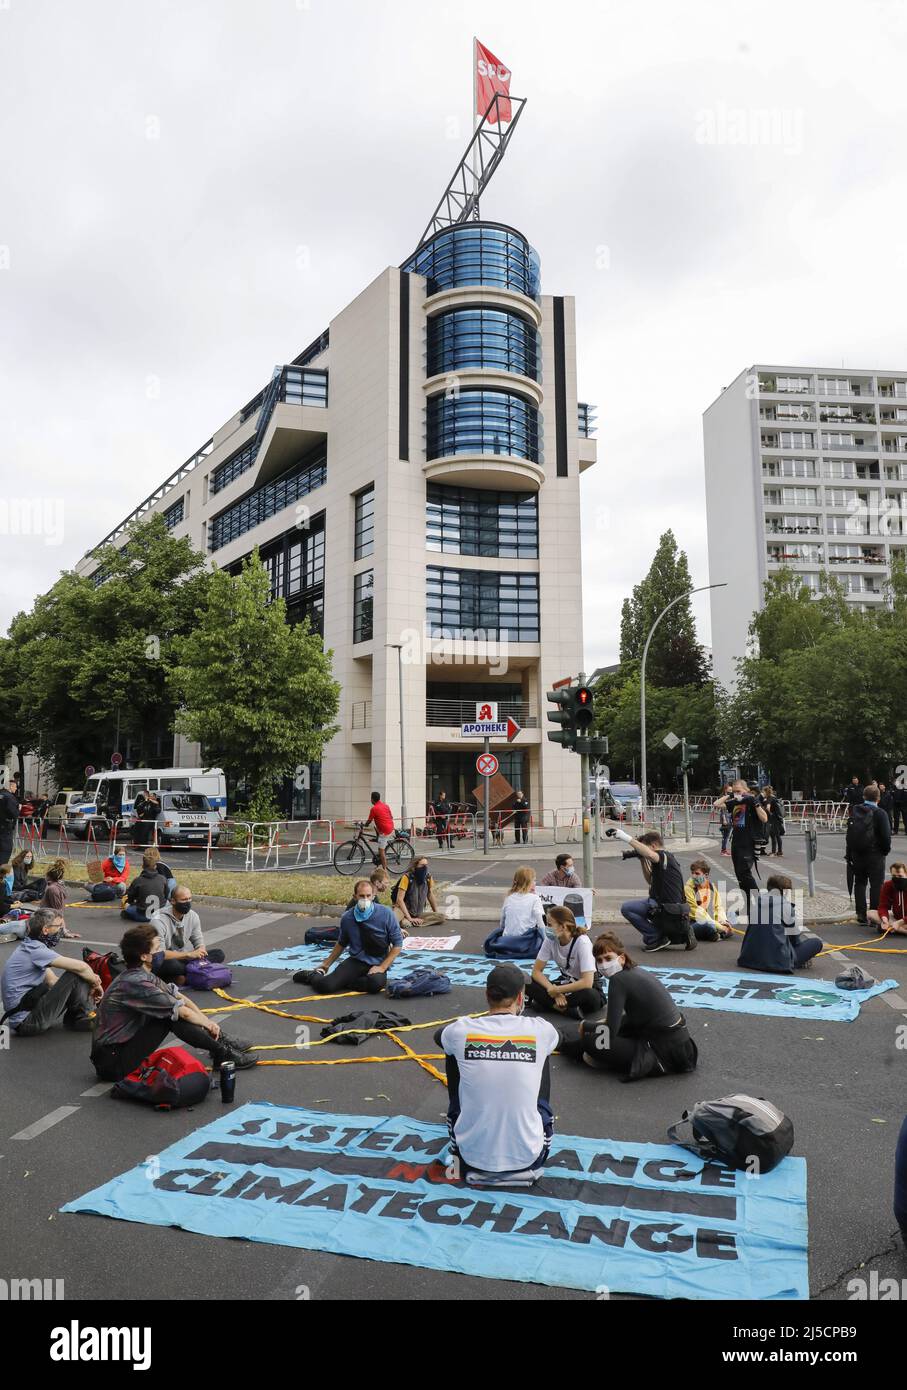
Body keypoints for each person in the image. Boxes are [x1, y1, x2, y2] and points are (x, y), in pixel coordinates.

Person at [435, 962, 559, 1184]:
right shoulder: (540, 1030)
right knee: (544, 1051)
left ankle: (459, 1117)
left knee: (451, 1049)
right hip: (530, 1159)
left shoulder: (460, 1030)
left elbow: (439, 1036)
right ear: (520, 998)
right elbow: (562, 1037)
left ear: (487, 995)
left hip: (468, 1159)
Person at [90, 923, 256, 1080]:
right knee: (170, 1016)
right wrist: (207, 1025)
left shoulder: (142, 974)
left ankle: (220, 1042)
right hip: (111, 1062)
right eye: (157, 949)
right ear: (144, 956)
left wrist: (209, 1024)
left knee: (172, 1011)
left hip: (117, 1051)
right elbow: (181, 1011)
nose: (161, 953)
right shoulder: (136, 982)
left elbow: (179, 997)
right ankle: (222, 1052)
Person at [563, 932, 698, 1081]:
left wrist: (586, 1025)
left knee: (592, 1040)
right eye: (599, 961)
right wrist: (600, 1024)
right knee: (609, 1029)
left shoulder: (618, 980)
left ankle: (578, 1048)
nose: (603, 965)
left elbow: (609, 1031)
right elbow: (635, 1016)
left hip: (660, 1050)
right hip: (682, 1048)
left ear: (621, 958)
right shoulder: (635, 971)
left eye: (608, 958)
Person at [0, 907, 101, 1036]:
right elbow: (82, 967)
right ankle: (83, 1015)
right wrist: (96, 984)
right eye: (59, 926)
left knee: (77, 974)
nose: (61, 930)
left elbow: (53, 982)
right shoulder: (36, 951)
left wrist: (86, 983)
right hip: (28, 1022)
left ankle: (79, 1015)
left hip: (25, 1018)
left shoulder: (30, 946)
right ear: (45, 930)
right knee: (75, 973)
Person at [293, 877, 403, 994]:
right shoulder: (347, 917)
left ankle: (343, 981)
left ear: (373, 896)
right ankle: (312, 976)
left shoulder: (386, 914)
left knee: (375, 984)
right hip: (357, 960)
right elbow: (342, 943)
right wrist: (326, 964)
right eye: (361, 896)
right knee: (326, 986)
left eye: (368, 896)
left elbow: (398, 943)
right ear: (355, 897)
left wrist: (382, 967)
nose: (365, 899)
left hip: (378, 961)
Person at [610, 826, 695, 952]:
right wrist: (642, 861)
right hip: (658, 901)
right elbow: (650, 880)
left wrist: (623, 836)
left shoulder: (663, 856)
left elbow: (649, 853)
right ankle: (657, 935)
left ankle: (656, 937)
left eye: (644, 847)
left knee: (627, 909)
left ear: (654, 845)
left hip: (666, 904)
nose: (643, 851)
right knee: (627, 908)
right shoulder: (662, 862)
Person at [527, 906, 603, 1018]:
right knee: (527, 981)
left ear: (563, 927)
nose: (546, 928)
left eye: (549, 924)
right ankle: (566, 1009)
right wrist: (554, 991)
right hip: (565, 984)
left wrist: (557, 990)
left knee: (589, 995)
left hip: (582, 988)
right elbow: (536, 972)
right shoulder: (550, 940)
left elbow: (587, 982)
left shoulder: (582, 943)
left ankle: (548, 1005)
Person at [738, 874, 823, 970]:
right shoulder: (786, 907)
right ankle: (796, 962)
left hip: (749, 958)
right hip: (778, 962)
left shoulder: (756, 903)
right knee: (816, 943)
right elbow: (795, 939)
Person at [149, 885, 226, 984]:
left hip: (184, 958)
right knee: (171, 965)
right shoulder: (158, 920)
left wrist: (201, 950)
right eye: (184, 900)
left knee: (218, 954)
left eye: (189, 899)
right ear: (173, 901)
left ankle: (188, 973)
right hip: (166, 960)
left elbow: (198, 940)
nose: (187, 903)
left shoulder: (193, 916)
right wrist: (188, 955)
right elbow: (159, 954)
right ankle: (196, 971)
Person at [846, 782, 891, 927]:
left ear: (863, 796)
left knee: (860, 882)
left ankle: (861, 914)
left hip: (857, 853)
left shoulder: (855, 810)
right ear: (878, 798)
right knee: (876, 884)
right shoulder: (880, 813)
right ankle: (874, 915)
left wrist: (850, 853)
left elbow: (849, 834)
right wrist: (885, 851)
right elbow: (885, 836)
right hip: (875, 854)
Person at [714, 780, 769, 896]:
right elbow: (716, 804)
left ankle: (758, 898)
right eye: (734, 791)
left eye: (739, 791)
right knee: (739, 874)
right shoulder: (735, 802)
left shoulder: (752, 801)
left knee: (744, 872)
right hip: (736, 842)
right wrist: (730, 795)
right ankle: (749, 900)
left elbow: (764, 819)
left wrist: (755, 802)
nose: (737, 794)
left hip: (748, 843)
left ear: (746, 790)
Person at [683, 860, 733, 941]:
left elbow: (718, 907)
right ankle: (720, 933)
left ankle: (718, 933)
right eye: (692, 873)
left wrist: (722, 921)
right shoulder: (688, 889)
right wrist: (720, 926)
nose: (693, 876)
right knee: (708, 925)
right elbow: (698, 914)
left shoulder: (711, 887)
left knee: (733, 915)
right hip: (694, 922)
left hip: (710, 918)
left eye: (697, 873)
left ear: (706, 875)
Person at [392, 856, 446, 931]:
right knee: (393, 919)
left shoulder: (428, 877)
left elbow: (430, 895)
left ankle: (412, 922)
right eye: (422, 865)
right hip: (402, 910)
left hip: (418, 913)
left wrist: (435, 912)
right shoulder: (407, 877)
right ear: (415, 866)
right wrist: (409, 917)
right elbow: (399, 899)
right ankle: (408, 920)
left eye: (426, 865)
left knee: (441, 917)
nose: (425, 868)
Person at [500, 866, 546, 939]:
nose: (535, 883)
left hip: (507, 938)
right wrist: (545, 940)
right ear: (528, 883)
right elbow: (540, 924)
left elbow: (502, 921)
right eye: (534, 880)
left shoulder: (509, 897)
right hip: (525, 940)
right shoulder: (535, 898)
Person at [38, 859, 80, 939]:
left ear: (49, 876)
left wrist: (63, 930)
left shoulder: (52, 889)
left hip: (46, 921)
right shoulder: (57, 886)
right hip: (47, 919)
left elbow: (57, 912)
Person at [122, 852, 169, 922]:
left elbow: (130, 898)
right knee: (168, 903)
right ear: (155, 866)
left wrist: (131, 903)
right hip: (159, 914)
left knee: (127, 907)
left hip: (142, 915)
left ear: (142, 866)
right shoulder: (163, 879)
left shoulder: (137, 880)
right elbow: (166, 895)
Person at [869, 862, 907, 936]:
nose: (896, 878)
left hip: (902, 920)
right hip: (896, 918)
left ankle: (898, 929)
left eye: (900, 876)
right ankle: (897, 928)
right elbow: (883, 906)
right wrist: (884, 919)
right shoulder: (888, 885)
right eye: (894, 876)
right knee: (870, 913)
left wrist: (900, 922)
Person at [365, 790, 394, 871]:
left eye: (371, 798)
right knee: (378, 835)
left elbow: (369, 821)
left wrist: (364, 825)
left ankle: (384, 870)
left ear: (372, 799)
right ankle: (379, 863)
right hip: (390, 827)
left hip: (385, 831)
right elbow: (391, 817)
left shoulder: (374, 809)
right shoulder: (386, 806)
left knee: (381, 851)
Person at [0, 776, 20, 867]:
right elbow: (14, 813)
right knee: (5, 851)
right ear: (10, 786)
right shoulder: (10, 797)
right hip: (5, 829)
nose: (16, 789)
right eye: (15, 787)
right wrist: (18, 809)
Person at [762, 785, 786, 857]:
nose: (763, 793)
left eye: (763, 791)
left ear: (766, 791)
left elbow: (768, 808)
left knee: (774, 835)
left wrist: (769, 813)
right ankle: (778, 851)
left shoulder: (769, 798)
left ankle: (777, 852)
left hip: (774, 819)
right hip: (777, 818)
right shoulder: (773, 797)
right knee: (775, 835)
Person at [717, 784, 733, 855]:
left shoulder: (729, 797)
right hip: (726, 817)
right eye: (729, 790)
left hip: (729, 816)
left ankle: (724, 849)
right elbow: (723, 809)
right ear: (725, 790)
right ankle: (723, 850)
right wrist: (724, 819)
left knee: (726, 834)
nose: (731, 791)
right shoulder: (723, 797)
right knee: (726, 835)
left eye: (731, 790)